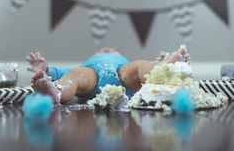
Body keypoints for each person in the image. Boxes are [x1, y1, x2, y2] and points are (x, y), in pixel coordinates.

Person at [26, 46, 190, 104]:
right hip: (93, 75)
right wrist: (45, 70)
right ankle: (58, 89)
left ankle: (159, 69)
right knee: (74, 76)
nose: (107, 50)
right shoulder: (87, 65)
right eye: (103, 51)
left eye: (110, 51)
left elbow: (135, 69)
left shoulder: (124, 63)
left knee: (138, 66)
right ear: (94, 57)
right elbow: (60, 73)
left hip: (123, 76)